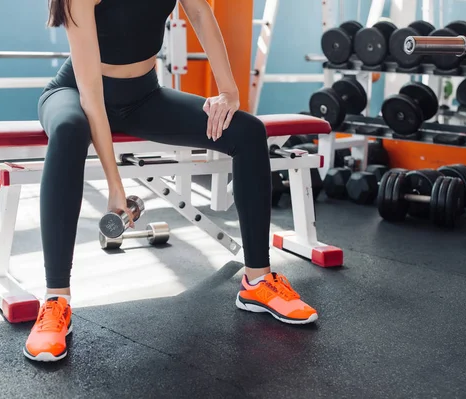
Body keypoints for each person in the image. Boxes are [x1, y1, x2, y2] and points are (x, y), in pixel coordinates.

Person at [24, 0, 318, 362]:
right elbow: (91, 97)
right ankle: (56, 301)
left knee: (248, 131)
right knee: (69, 130)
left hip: (144, 96)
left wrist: (228, 91)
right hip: (75, 93)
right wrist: (115, 185)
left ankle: (257, 280)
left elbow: (199, 13)